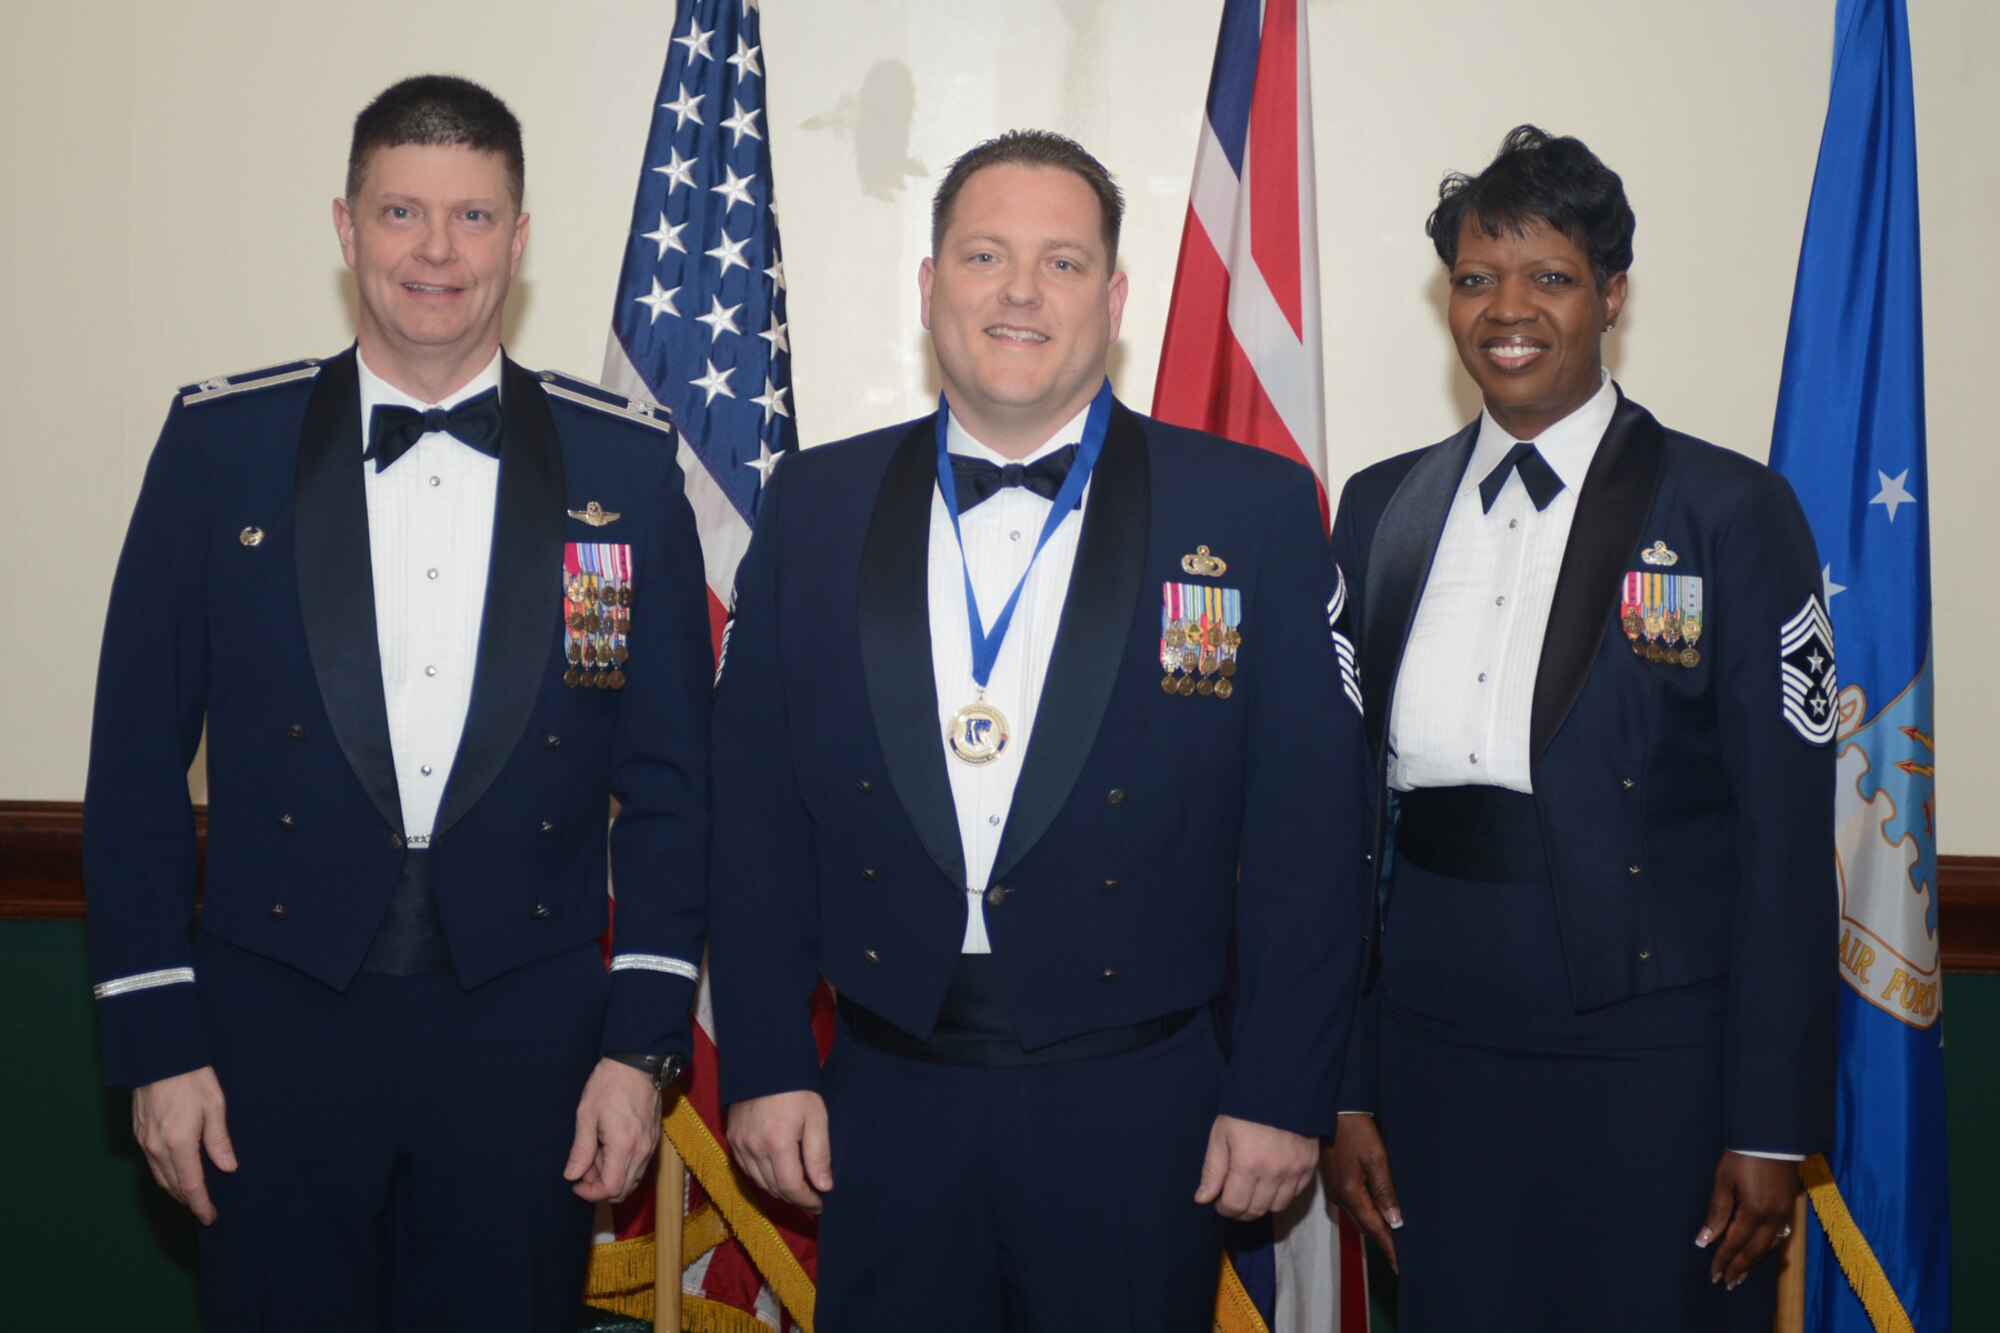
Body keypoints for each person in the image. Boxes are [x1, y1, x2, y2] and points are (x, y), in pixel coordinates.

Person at [706, 130, 1368, 1330]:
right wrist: (760, 1062)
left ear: (1113, 300)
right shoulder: (814, 504)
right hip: (881, 1094)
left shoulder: (1252, 510)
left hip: (1139, 1102)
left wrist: (1280, 1090)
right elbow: (751, 815)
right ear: (928, 286)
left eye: (1061, 262)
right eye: (984, 254)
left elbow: (1310, 840)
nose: (1020, 291)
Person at [83, 75, 713, 1331]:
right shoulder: (222, 448)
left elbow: (670, 790)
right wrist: (156, 1042)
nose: (437, 252)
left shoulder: (625, 467)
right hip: (272, 1033)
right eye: (402, 213)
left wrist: (639, 1045)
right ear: (345, 224)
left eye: (474, 217)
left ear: (520, 239)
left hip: (526, 1041)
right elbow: (137, 767)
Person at [1322, 125, 1838, 1331]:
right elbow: (1335, 825)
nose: (1507, 309)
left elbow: (1780, 838)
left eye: (1547, 277)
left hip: (1651, 1051)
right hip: (1431, 1046)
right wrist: (1343, 1084)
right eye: (1473, 278)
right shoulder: (1378, 509)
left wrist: (1766, 1120)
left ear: (1609, 294)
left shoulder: (1728, 510)